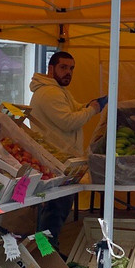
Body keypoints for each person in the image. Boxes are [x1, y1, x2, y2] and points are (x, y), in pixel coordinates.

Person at [30, 50, 105, 241]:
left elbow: (73, 108)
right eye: (63, 67)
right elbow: (68, 121)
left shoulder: (58, 90)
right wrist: (92, 109)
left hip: (61, 163)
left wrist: (89, 106)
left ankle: (47, 253)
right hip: (57, 164)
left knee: (55, 214)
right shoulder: (50, 92)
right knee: (53, 215)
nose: (68, 72)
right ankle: (45, 254)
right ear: (51, 68)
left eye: (71, 68)